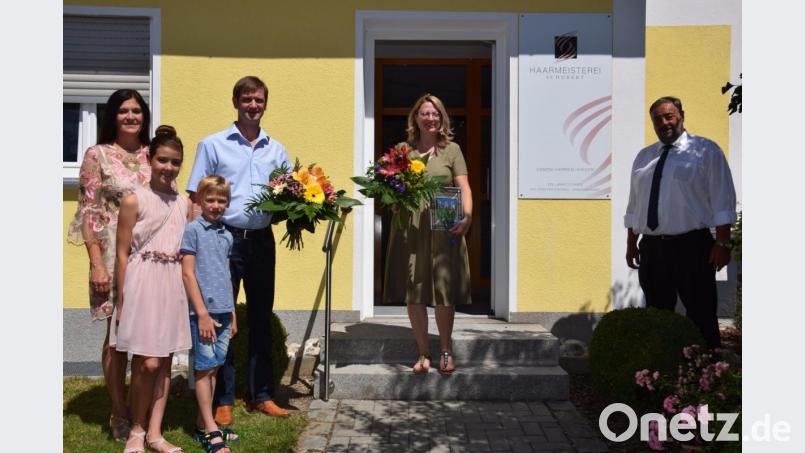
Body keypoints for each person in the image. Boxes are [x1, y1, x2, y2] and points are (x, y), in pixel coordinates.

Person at [186, 76, 292, 422]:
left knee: (261, 317)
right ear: (235, 102)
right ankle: (224, 399)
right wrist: (197, 244)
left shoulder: (276, 150)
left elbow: (292, 193)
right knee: (220, 318)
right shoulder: (212, 145)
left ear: (265, 103)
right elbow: (195, 198)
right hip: (223, 239)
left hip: (262, 240)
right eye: (247, 99)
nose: (253, 105)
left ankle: (261, 394)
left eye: (258, 100)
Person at [67, 89, 152, 441]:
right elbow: (88, 211)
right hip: (110, 255)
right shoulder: (97, 154)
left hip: (148, 254)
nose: (131, 116)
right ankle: (119, 411)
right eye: (123, 111)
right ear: (112, 116)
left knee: (146, 335)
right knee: (116, 336)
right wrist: (95, 265)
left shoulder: (152, 154)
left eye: (136, 110)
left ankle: (141, 407)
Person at [625, 96, 737, 349]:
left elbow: (722, 199)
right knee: (657, 315)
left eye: (669, 116)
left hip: (692, 246)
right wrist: (631, 244)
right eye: (657, 119)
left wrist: (722, 243)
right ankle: (661, 367)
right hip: (652, 248)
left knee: (701, 313)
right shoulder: (644, 157)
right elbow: (635, 205)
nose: (664, 123)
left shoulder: (705, 151)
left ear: (681, 116)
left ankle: (706, 368)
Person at [113, 125, 192, 453]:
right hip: (142, 282)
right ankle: (137, 427)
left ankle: (155, 433)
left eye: (175, 162)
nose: (168, 167)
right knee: (146, 362)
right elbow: (122, 253)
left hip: (172, 282)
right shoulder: (134, 200)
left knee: (164, 361)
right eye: (163, 160)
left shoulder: (185, 204)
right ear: (150, 159)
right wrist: (122, 298)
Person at [383, 93, 473, 375]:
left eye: (435, 113)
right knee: (415, 289)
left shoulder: (452, 150)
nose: (430, 118)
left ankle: (445, 349)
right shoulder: (403, 150)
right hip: (410, 226)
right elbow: (388, 186)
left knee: (444, 289)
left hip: (444, 222)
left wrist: (467, 216)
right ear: (416, 118)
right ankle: (423, 352)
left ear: (442, 118)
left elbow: (464, 186)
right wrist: (392, 198)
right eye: (425, 113)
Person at [181, 176, 238, 453]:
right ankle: (212, 430)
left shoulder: (227, 234)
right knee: (204, 370)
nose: (216, 205)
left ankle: (201, 425)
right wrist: (202, 314)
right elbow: (187, 274)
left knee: (214, 367)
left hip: (224, 312)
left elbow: (226, 275)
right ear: (200, 201)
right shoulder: (193, 230)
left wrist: (233, 312)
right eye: (210, 199)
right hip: (203, 313)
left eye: (221, 200)